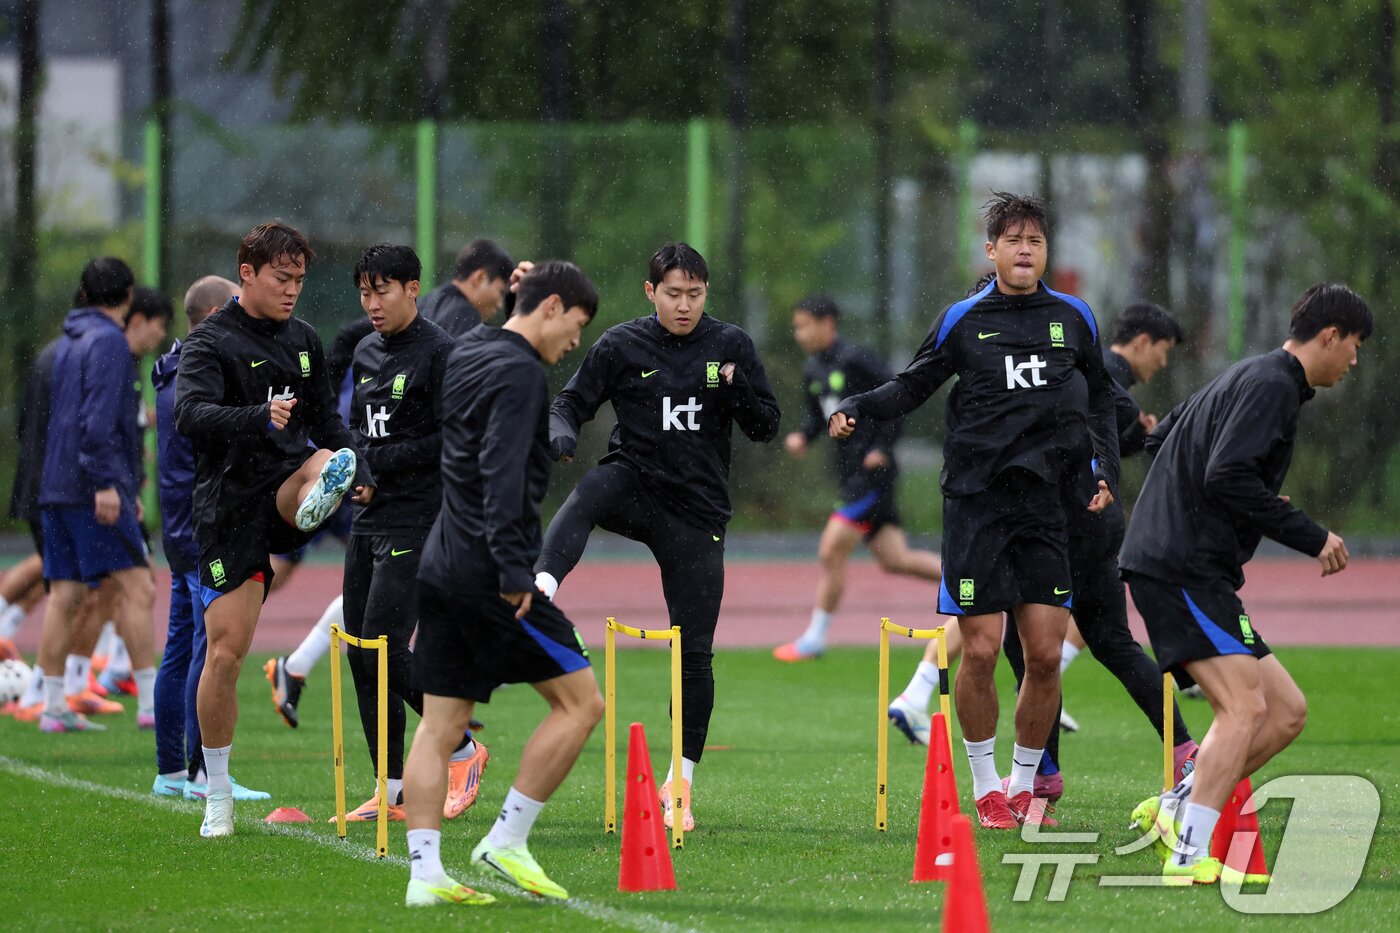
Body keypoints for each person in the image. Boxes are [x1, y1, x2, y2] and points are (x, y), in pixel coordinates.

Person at [830, 192, 1119, 829]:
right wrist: (859, 405)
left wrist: (1105, 470)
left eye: (1035, 242)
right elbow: (913, 384)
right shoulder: (964, 319)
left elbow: (1102, 397)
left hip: (1047, 506)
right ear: (991, 251)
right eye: (1013, 241)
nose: (1025, 251)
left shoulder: (1074, 318)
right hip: (976, 505)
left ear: (1046, 252)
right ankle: (985, 786)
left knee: (1044, 656)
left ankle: (1022, 785)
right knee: (982, 652)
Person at [1124, 283, 1368, 885]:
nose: (1355, 361)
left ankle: (1176, 807)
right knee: (1244, 708)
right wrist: (1312, 535)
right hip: (1181, 566)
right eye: (1355, 346)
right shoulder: (1272, 385)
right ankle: (1187, 856)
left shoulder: (1250, 376)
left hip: (1193, 566)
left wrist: (1242, 500)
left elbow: (1165, 440)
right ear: (1330, 337)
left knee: (1285, 712)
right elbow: (1227, 471)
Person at [534, 243, 781, 832]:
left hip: (695, 513)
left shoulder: (731, 345)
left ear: (706, 294)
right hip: (636, 485)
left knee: (694, 651)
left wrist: (738, 386)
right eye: (673, 294)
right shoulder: (621, 344)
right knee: (594, 486)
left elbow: (766, 425)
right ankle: (541, 587)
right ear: (651, 293)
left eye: (695, 295)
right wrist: (560, 431)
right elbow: (570, 400)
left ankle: (680, 782)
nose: (684, 306)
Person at [404, 260, 601, 907]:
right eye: (575, 326)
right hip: (491, 572)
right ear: (551, 307)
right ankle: (507, 841)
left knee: (441, 723)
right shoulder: (521, 371)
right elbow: (503, 474)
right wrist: (518, 570)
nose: (574, 343)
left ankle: (424, 876)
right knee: (582, 703)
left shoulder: (470, 348)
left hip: (439, 562)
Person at [175, 221, 374, 838]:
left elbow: (327, 422)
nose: (292, 291)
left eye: (300, 281)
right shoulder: (210, 342)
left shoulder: (305, 340)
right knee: (227, 655)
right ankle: (218, 791)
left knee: (325, 458)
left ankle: (322, 494)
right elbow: (188, 416)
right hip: (228, 505)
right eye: (281, 279)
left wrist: (359, 466)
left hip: (286, 484)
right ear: (247, 274)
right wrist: (257, 416)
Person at [336, 244, 486, 824]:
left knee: (387, 650)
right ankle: (392, 787)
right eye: (365, 293)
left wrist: (381, 463)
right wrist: (356, 468)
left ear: (413, 288)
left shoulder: (442, 353)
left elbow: (453, 441)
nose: (373, 304)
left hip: (421, 518)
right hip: (369, 518)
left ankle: (463, 746)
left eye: (384, 291)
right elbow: (357, 426)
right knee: (360, 652)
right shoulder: (366, 350)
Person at [150, 275, 271, 801]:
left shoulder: (170, 370)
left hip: (179, 526)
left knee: (181, 647)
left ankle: (169, 771)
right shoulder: (198, 374)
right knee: (209, 647)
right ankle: (203, 774)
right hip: (201, 527)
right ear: (221, 310)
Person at [772, 295, 943, 662]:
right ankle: (973, 588)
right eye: (796, 327)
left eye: (804, 325)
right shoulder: (812, 371)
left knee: (831, 548)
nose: (799, 334)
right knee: (895, 558)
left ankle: (815, 637)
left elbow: (897, 399)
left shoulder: (857, 360)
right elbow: (820, 417)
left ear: (828, 323)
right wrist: (804, 435)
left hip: (872, 475)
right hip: (850, 475)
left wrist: (882, 445)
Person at [32, 258, 157, 733]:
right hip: (92, 486)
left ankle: (51, 706)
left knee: (64, 594)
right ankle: (149, 704)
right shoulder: (108, 341)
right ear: (126, 298)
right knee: (139, 586)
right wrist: (111, 482)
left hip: (56, 484)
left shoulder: (66, 341)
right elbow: (99, 419)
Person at [417, 238, 514, 339]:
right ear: (480, 278)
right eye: (500, 291)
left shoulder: (424, 302)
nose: (499, 305)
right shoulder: (465, 316)